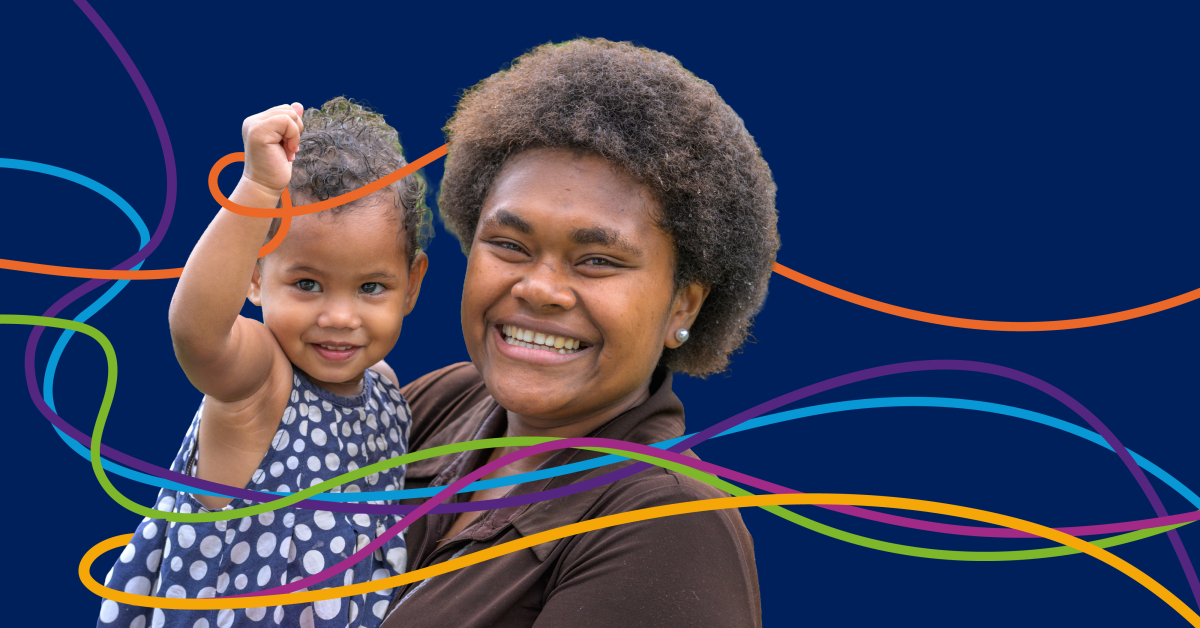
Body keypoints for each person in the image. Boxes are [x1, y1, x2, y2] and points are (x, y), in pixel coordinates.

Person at [381, 38, 778, 627]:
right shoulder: (442, 403)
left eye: (597, 260)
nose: (540, 288)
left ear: (684, 308)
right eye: (510, 245)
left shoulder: (664, 528)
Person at [97, 97, 430, 628]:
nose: (340, 316)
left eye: (371, 287)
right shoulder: (259, 380)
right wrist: (255, 189)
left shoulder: (387, 394)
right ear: (255, 277)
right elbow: (197, 333)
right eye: (307, 284)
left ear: (411, 284)